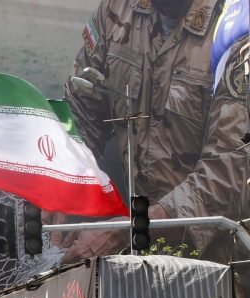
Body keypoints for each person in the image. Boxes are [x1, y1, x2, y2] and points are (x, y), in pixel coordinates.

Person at [59, 0, 249, 262]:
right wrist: (60, 182)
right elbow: (82, 109)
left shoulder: (236, 26)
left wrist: (126, 230)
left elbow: (226, 179)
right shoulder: (119, 9)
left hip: (222, 262)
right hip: (140, 252)